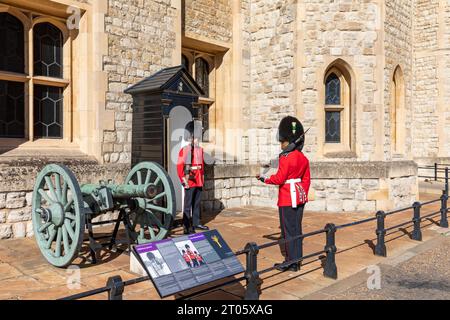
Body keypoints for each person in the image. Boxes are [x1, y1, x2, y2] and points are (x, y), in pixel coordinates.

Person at [256, 116, 311, 272]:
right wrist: (302, 194)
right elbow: (306, 180)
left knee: (287, 231)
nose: (281, 145)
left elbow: (279, 179)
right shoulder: (303, 158)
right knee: (297, 229)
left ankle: (290, 262)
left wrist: (264, 179)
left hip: (287, 198)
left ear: (289, 141)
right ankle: (297, 260)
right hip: (299, 197)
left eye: (283, 141)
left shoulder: (286, 158)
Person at [177, 121, 209, 234]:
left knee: (196, 203)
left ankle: (196, 222)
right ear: (190, 137)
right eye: (195, 137)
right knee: (188, 205)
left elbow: (202, 166)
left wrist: (203, 177)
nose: (197, 140)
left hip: (198, 180)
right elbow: (179, 167)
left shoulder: (200, 150)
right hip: (189, 181)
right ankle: (186, 225)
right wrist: (183, 180)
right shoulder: (184, 150)